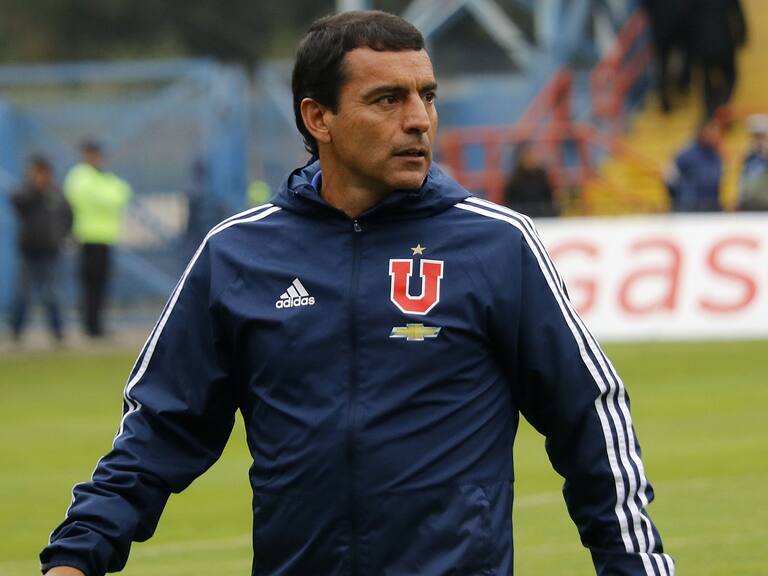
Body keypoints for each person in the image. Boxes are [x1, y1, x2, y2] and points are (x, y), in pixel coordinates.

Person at [41, 11, 674, 576]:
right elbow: (157, 429)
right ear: (319, 118)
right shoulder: (238, 254)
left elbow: (592, 421)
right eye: (387, 99)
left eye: (427, 96)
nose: (419, 120)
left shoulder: (498, 245)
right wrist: (77, 553)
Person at [63, 140, 132, 338]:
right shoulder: (80, 176)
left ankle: (97, 325)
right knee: (90, 285)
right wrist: (107, 196)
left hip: (105, 239)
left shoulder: (102, 177)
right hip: (88, 238)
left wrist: (107, 196)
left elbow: (122, 194)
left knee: (101, 284)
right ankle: (90, 326)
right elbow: (106, 198)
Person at [8, 155, 72, 343]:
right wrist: (36, 189)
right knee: (22, 294)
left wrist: (61, 236)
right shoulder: (26, 193)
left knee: (52, 294)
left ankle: (58, 332)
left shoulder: (57, 194)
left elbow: (69, 216)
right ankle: (15, 332)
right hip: (29, 253)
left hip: (51, 253)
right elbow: (18, 203)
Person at [665, 117, 723, 211]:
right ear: (702, 131)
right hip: (689, 211)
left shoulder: (717, 156)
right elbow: (668, 179)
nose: (714, 134)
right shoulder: (685, 155)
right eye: (711, 130)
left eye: (716, 130)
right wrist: (679, 202)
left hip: (711, 212)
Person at [503, 142, 559, 217]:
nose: (530, 160)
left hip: (542, 216)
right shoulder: (514, 180)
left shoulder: (542, 176)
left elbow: (549, 200)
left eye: (531, 156)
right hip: (522, 215)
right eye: (527, 157)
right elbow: (511, 203)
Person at [738, 113, 768, 210]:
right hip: (749, 206)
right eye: (755, 137)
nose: (758, 141)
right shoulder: (748, 158)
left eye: (761, 137)